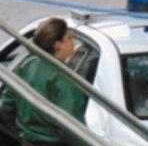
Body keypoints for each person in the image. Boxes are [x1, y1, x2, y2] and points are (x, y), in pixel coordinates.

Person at [0, 18, 88, 146]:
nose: (73, 43)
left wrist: (21, 134)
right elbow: (73, 129)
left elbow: (7, 106)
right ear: (57, 44)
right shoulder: (65, 79)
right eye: (69, 38)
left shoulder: (27, 64)